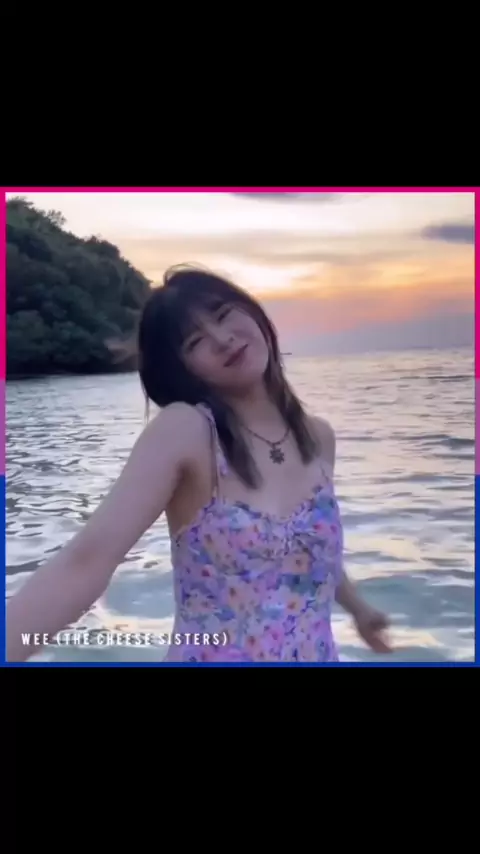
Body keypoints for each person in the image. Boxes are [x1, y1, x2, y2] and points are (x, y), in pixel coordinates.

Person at [6, 265, 391, 663]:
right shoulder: (188, 432)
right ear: (182, 368)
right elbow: (85, 562)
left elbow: (308, 548)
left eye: (223, 315)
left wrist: (358, 609)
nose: (222, 340)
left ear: (251, 309)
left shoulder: (318, 437)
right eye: (195, 341)